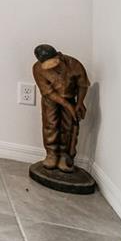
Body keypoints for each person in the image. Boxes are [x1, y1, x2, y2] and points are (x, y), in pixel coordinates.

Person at [32, 44, 90, 173]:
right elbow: (47, 92)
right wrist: (67, 106)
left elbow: (83, 85)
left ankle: (65, 155)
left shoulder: (74, 64)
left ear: (58, 55)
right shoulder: (38, 68)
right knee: (50, 124)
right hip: (50, 100)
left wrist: (79, 102)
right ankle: (51, 154)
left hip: (70, 97)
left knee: (68, 126)